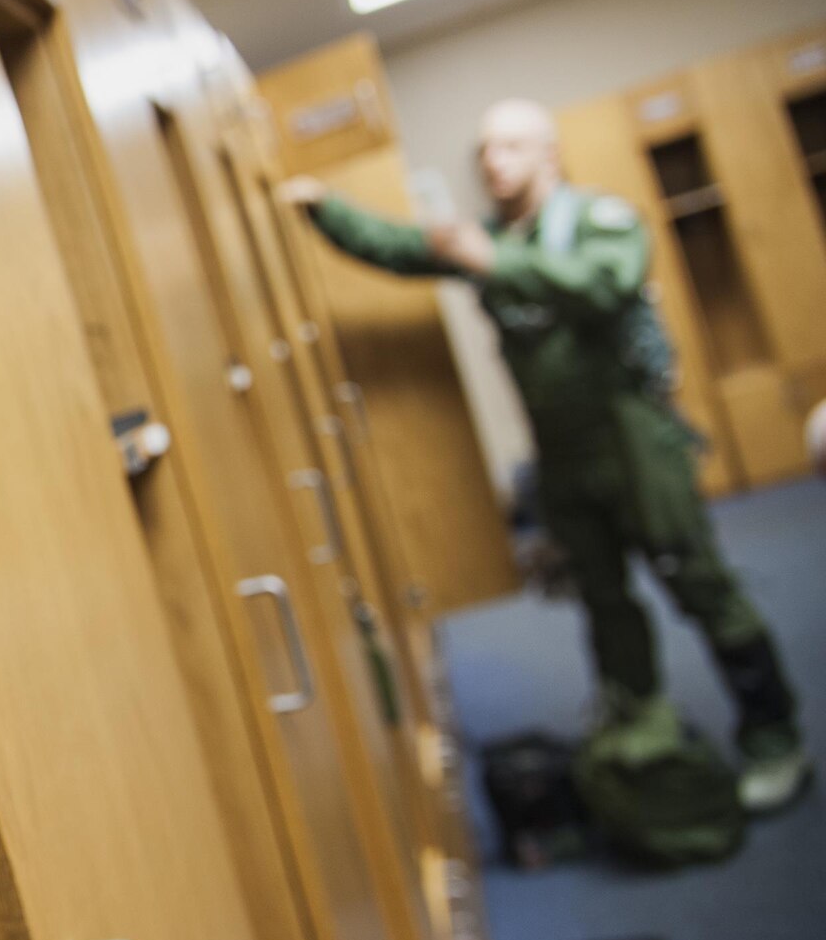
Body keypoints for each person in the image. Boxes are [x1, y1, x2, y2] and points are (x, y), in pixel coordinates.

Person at [279, 98, 809, 813]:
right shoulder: (489, 239)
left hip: (635, 443)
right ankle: (644, 736)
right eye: (484, 151)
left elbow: (605, 283)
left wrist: (496, 261)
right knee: (603, 600)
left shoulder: (597, 221)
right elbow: (402, 248)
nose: (493, 163)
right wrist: (325, 209)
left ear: (548, 155)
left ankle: (776, 738)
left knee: (701, 585)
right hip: (562, 457)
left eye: (510, 147)